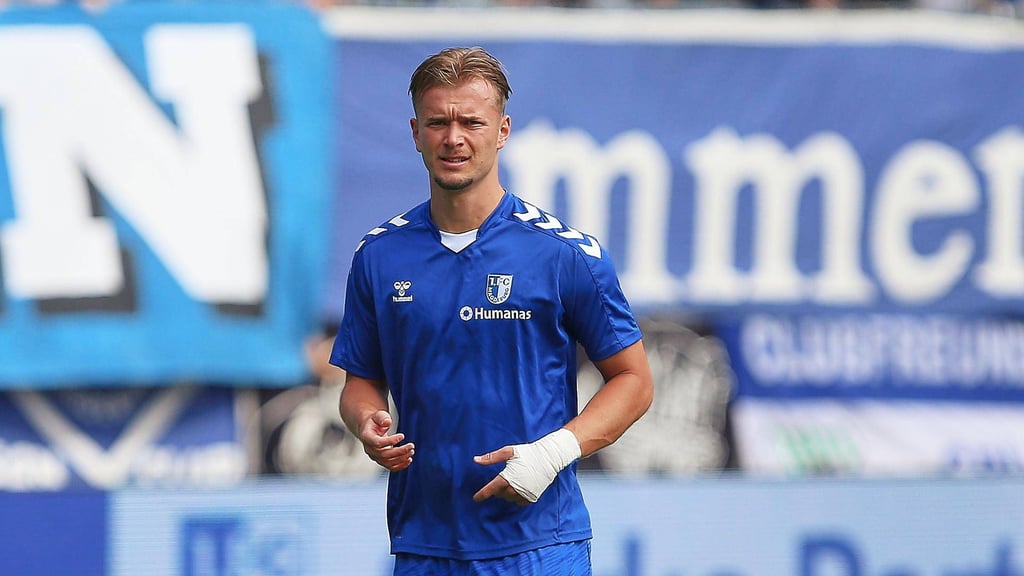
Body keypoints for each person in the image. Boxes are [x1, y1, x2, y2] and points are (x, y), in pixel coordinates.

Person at [330, 46, 653, 576]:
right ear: (415, 132)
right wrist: (367, 422)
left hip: (540, 545)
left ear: (502, 130)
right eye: (437, 122)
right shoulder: (379, 255)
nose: (453, 138)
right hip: (424, 545)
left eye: (471, 122)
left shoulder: (565, 254)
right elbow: (360, 381)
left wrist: (551, 454)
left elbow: (634, 381)